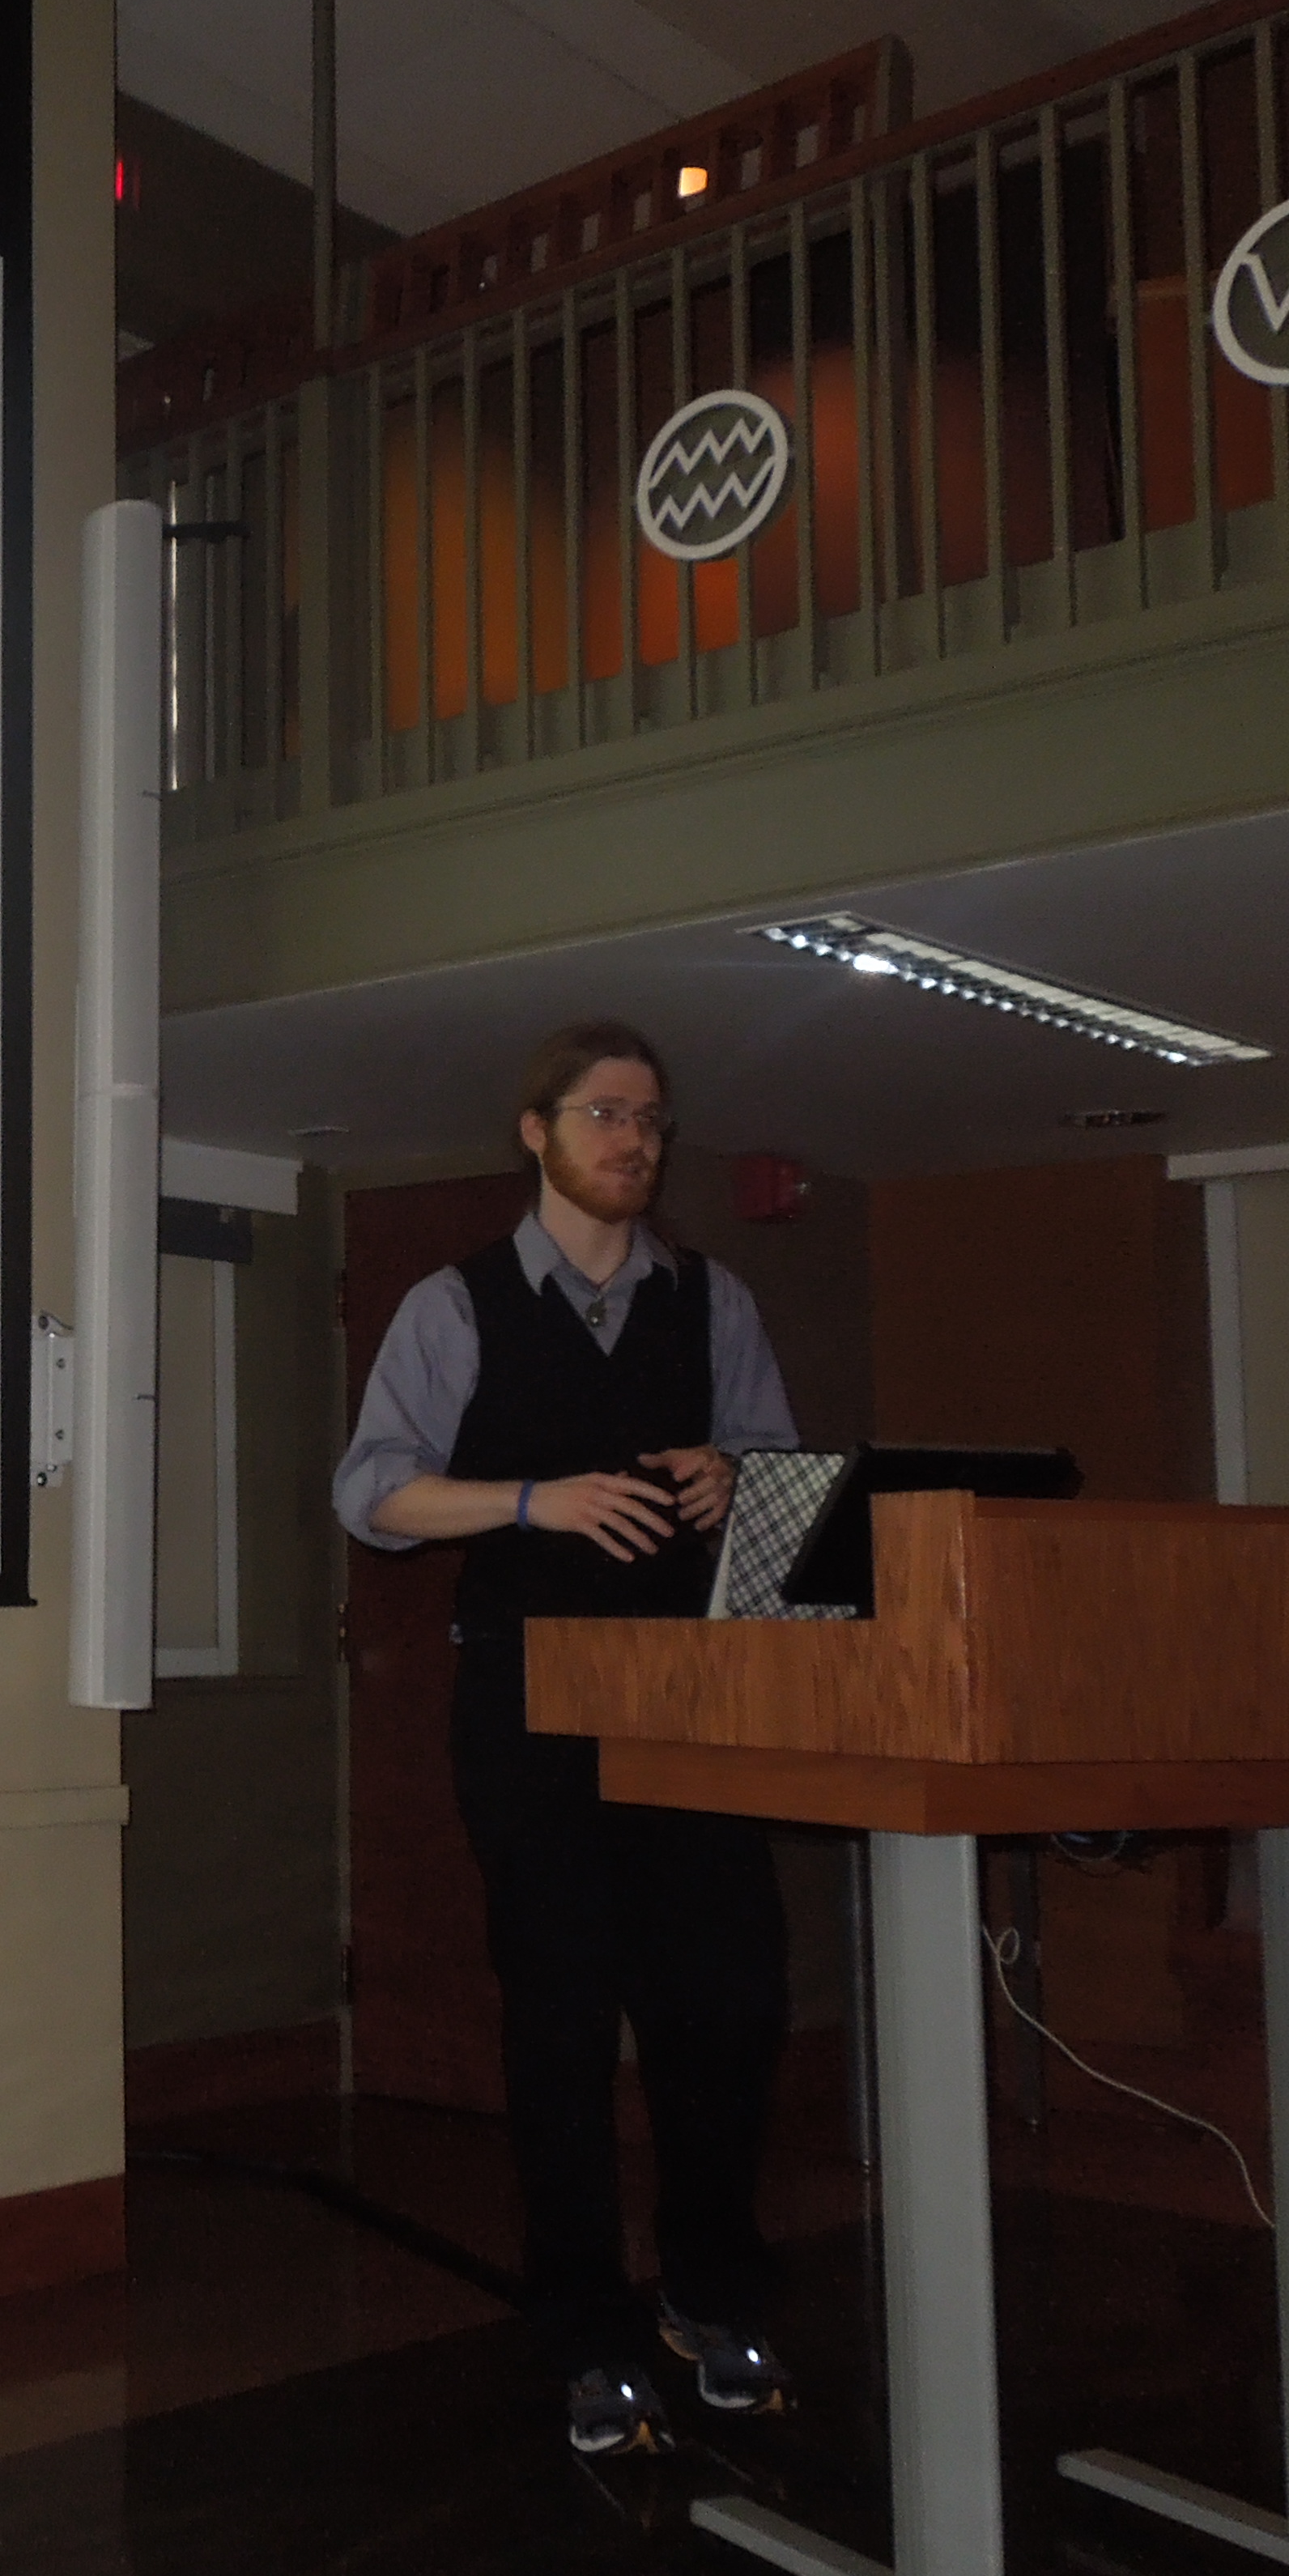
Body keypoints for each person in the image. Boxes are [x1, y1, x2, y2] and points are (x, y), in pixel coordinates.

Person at [332, 1018, 801, 2457]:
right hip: (528, 1710)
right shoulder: (455, 1304)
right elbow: (372, 1493)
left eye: (652, 1121)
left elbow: (784, 1490)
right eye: (605, 1115)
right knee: (561, 2018)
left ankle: (711, 2294)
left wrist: (738, 1480)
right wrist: (534, 1501)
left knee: (726, 2005)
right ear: (536, 1133)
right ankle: (589, 2332)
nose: (634, 1141)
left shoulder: (712, 1300)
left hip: (689, 1706)